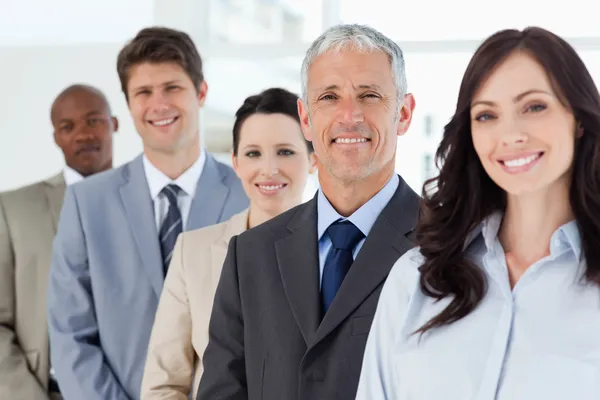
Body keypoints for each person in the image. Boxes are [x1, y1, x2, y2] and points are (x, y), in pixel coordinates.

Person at [356, 26, 600, 400]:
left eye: (534, 107)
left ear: (579, 119)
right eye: (487, 116)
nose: (511, 134)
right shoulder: (415, 278)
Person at [196, 24, 421, 400]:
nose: (349, 116)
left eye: (369, 95)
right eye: (329, 97)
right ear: (305, 118)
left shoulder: (449, 246)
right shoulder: (250, 254)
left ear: (403, 114)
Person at [46, 27, 248, 400]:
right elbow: (70, 335)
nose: (159, 104)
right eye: (143, 92)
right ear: (128, 104)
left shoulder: (249, 195)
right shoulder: (87, 203)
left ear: (201, 93)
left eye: (172, 87)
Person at [140, 87, 316, 399]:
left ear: (314, 159)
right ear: (235, 163)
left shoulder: (338, 250)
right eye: (253, 154)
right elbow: (163, 382)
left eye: (286, 151)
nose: (269, 169)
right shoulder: (192, 252)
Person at [0, 83, 117, 400]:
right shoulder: (13, 209)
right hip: (46, 390)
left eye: (94, 120)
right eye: (68, 126)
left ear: (114, 124)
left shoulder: (151, 201)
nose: (83, 134)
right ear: (56, 137)